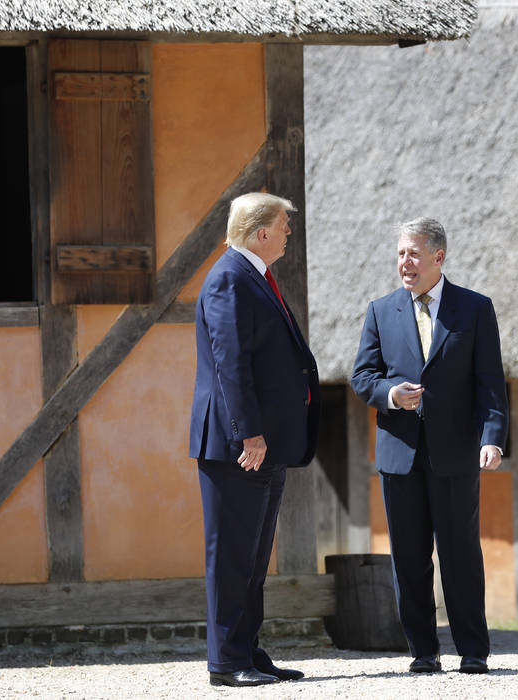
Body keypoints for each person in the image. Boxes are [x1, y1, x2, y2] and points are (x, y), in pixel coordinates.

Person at [351, 217, 508, 675]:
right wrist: (390, 395)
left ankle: (473, 650)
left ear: (438, 257)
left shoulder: (474, 309)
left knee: (460, 554)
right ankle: (423, 651)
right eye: (400, 253)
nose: (405, 262)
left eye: (413, 253)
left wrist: (492, 438)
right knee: (409, 557)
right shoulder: (380, 311)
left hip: (456, 453)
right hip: (399, 454)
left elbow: (490, 383)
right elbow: (362, 377)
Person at [188, 192, 320, 687]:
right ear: (261, 231)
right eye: (284, 226)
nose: (289, 233)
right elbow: (230, 365)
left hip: (263, 443)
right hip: (237, 444)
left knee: (254, 554)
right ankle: (226, 662)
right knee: (232, 554)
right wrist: (252, 434)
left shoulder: (254, 277)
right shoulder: (228, 278)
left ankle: (246, 648)